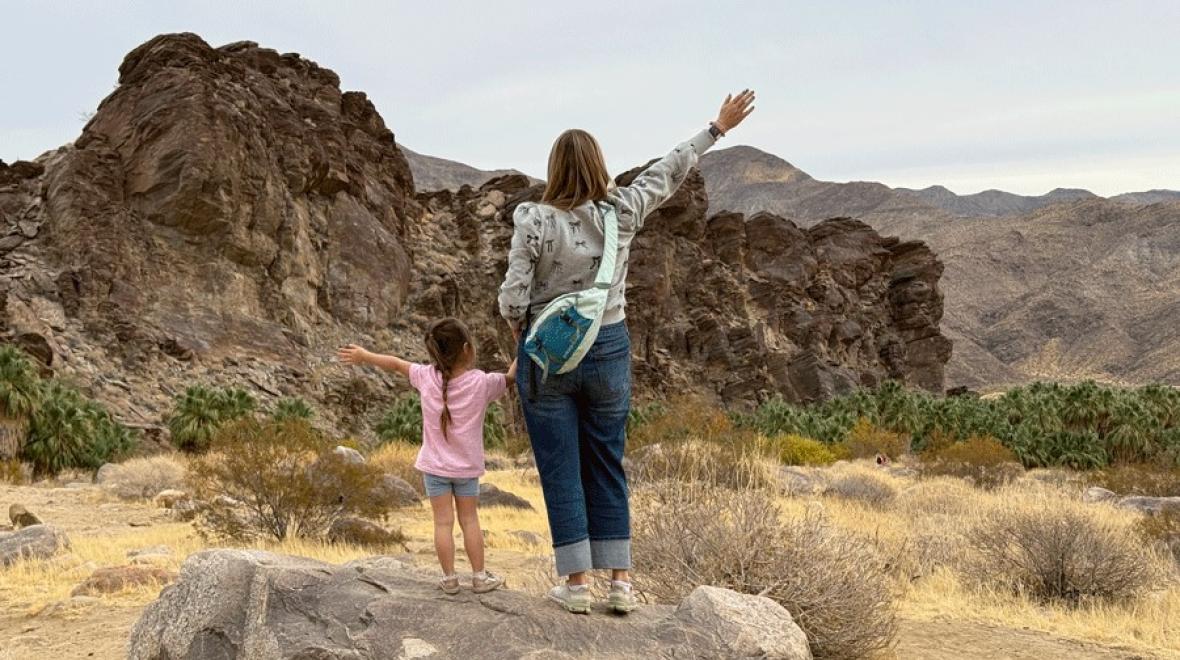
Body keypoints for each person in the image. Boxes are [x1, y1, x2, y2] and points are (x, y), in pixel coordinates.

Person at [498, 90, 756, 614]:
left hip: (547, 353)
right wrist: (716, 128)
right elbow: (668, 171)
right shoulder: (622, 209)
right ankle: (620, 584)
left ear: (554, 169)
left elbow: (511, 298)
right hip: (608, 344)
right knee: (607, 460)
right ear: (598, 166)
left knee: (560, 467)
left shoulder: (533, 219)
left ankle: (574, 587)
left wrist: (521, 341)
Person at [338, 317, 517, 595]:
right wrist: (522, 342)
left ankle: (449, 580)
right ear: (467, 349)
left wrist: (365, 356)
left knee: (442, 523)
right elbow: (510, 378)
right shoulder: (481, 383)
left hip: (434, 468)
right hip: (466, 470)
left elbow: (396, 364)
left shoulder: (425, 377)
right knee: (469, 520)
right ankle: (480, 578)